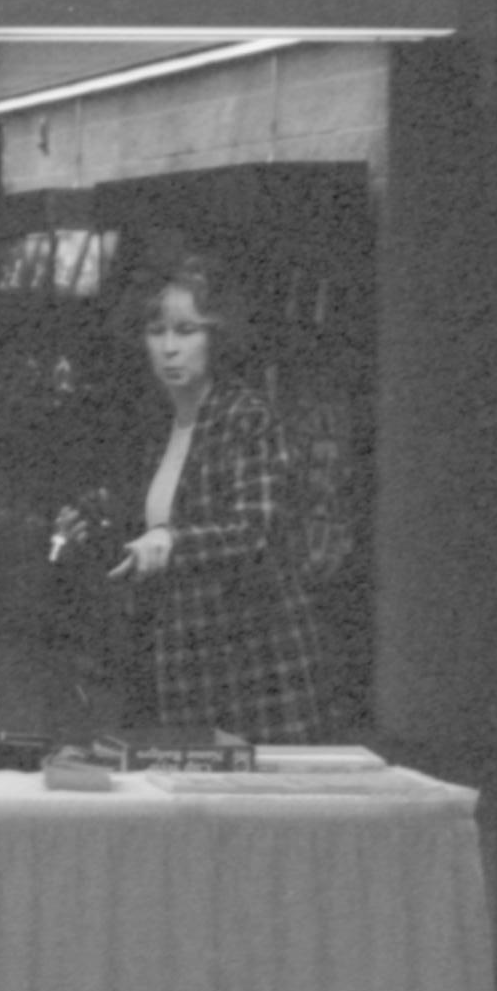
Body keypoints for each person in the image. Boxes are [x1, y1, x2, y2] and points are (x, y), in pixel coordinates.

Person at [98, 254, 331, 741]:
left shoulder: (245, 415)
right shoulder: (160, 426)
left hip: (251, 656)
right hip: (184, 652)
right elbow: (157, 520)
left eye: (187, 331)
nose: (169, 348)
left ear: (218, 338)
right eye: (156, 331)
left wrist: (169, 542)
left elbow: (253, 530)